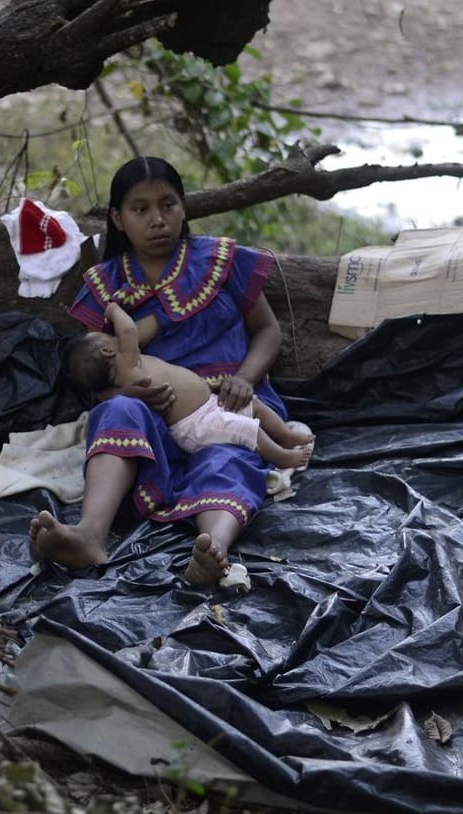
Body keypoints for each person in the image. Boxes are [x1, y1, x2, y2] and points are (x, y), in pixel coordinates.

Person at [29, 156, 293, 586]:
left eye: (168, 205)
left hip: (230, 402)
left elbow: (268, 331)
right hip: (155, 417)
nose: (158, 220)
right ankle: (90, 535)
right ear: (117, 218)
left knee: (227, 455)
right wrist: (121, 397)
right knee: (113, 416)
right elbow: (92, 377)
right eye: (140, 209)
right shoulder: (104, 286)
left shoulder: (219, 259)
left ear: (184, 207)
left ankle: (213, 553)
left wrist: (245, 377)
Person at [65, 301, 314, 470]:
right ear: (108, 349)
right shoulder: (129, 362)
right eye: (106, 336)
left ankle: (284, 434)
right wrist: (112, 310)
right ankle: (282, 458)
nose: (113, 334)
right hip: (196, 425)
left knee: (253, 404)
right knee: (246, 428)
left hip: (208, 408)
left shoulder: (122, 380)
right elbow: (129, 330)